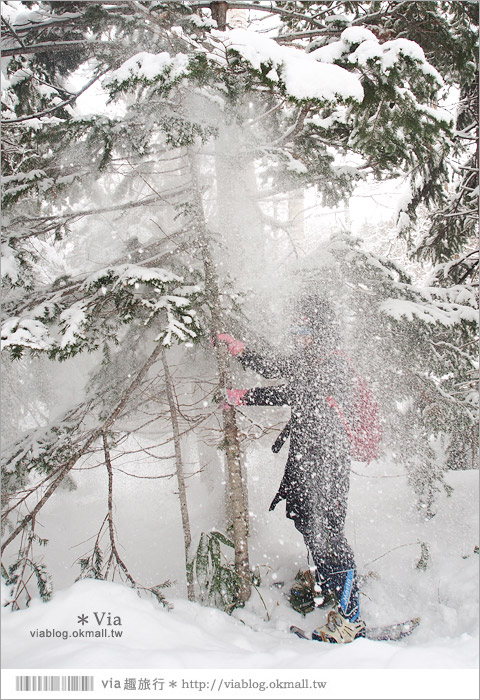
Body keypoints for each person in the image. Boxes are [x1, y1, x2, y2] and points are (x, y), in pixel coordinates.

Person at [217, 296, 366, 644]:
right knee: (306, 521)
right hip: (305, 458)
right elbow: (273, 366)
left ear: (320, 332)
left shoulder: (333, 365)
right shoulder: (307, 359)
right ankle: (332, 590)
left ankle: (351, 617)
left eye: (304, 329)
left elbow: (297, 392)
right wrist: (240, 350)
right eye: (295, 329)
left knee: (327, 533)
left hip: (326, 460)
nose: (298, 335)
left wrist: (243, 396)